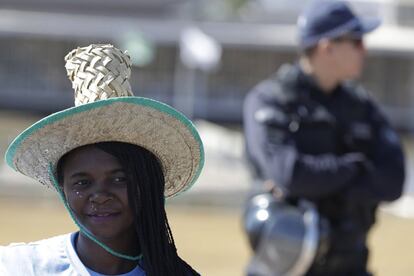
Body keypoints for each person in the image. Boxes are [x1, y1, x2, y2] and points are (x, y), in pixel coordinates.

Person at [0, 44, 204, 276]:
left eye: (119, 179)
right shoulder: (19, 267)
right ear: (62, 188)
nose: (99, 195)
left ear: (148, 183)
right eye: (82, 183)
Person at [243, 1, 405, 275]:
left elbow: (394, 181)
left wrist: (319, 182)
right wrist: (356, 167)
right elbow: (291, 174)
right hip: (285, 267)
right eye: (356, 42)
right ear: (326, 47)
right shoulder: (270, 101)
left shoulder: (362, 106)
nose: (364, 50)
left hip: (351, 265)